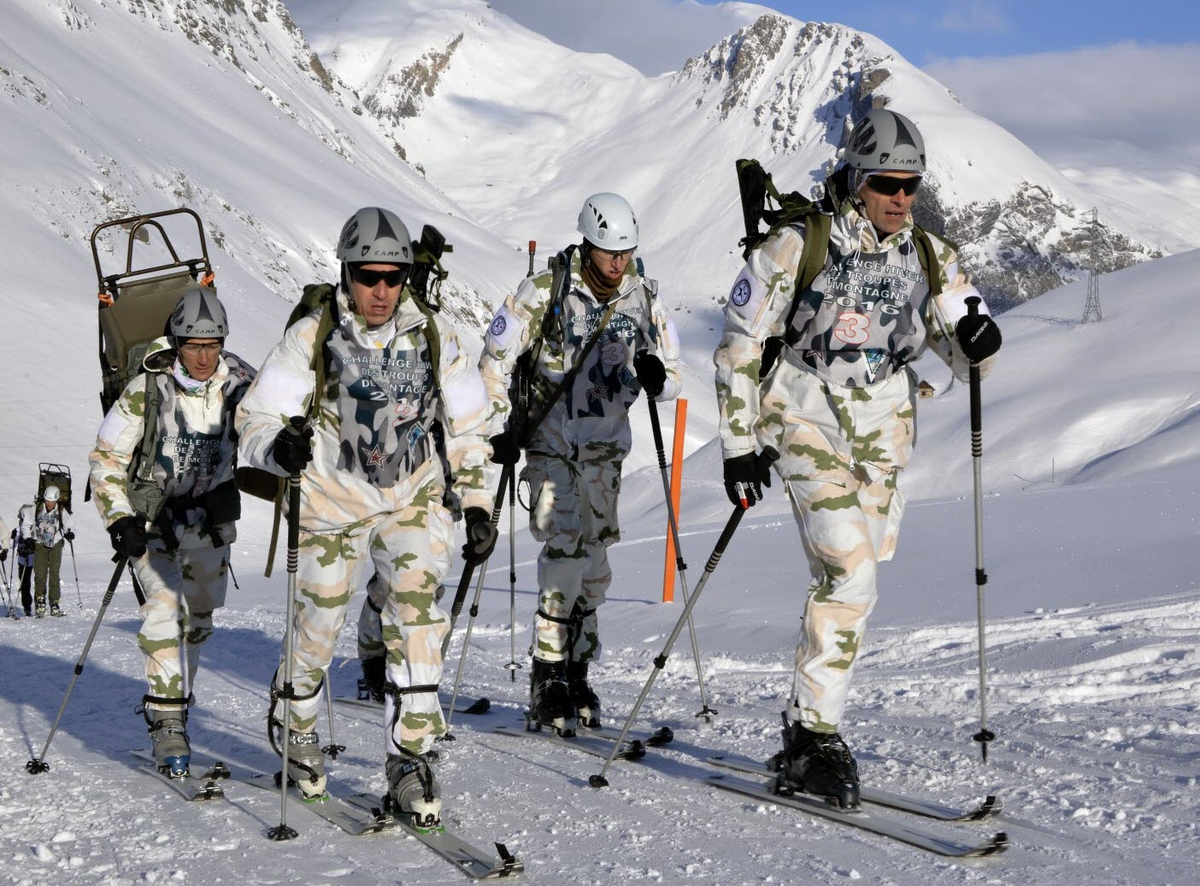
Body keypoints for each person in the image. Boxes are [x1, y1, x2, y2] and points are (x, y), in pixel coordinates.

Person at [713, 109, 1002, 808]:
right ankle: (814, 735)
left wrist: (979, 343)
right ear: (855, 179)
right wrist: (740, 444)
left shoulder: (933, 258)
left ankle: (805, 725)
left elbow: (966, 363)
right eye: (887, 184)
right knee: (850, 570)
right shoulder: (798, 244)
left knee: (857, 578)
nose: (901, 197)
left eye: (911, 185)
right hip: (804, 412)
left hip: (882, 431)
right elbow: (741, 342)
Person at [235, 207, 495, 829]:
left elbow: (467, 427)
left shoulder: (437, 337)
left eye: (393, 276)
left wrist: (479, 503)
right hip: (330, 506)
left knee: (418, 620)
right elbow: (254, 420)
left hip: (410, 500)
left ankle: (409, 759)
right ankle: (296, 731)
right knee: (317, 625)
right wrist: (278, 448)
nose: (381, 290)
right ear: (347, 272)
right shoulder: (312, 336)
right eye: (368, 276)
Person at [478, 192, 682, 735]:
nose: (617, 263)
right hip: (552, 443)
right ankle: (547, 673)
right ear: (587, 245)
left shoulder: (643, 298)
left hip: (605, 450)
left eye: (626, 253)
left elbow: (675, 371)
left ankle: (577, 667)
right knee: (565, 546)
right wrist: (500, 426)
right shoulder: (545, 291)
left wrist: (659, 377)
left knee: (594, 563)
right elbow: (494, 359)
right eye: (607, 252)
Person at [88, 285, 255, 777]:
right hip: (153, 519)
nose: (204, 357)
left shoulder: (243, 383)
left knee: (198, 622)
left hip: (209, 521)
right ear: (176, 341)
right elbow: (107, 458)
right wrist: (118, 520)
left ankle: (178, 700)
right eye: (193, 345)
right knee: (163, 612)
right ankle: (167, 721)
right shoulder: (148, 387)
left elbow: (271, 426)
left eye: (212, 345)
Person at [17, 486, 75, 617]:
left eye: (52, 501)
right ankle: (40, 599)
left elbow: (69, 525)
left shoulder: (61, 510)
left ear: (56, 501)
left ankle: (54, 601)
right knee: (40, 573)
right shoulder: (36, 509)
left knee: (54, 573)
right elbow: (26, 525)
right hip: (40, 543)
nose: (49, 504)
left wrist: (70, 533)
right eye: (47, 501)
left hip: (56, 543)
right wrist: (27, 538)